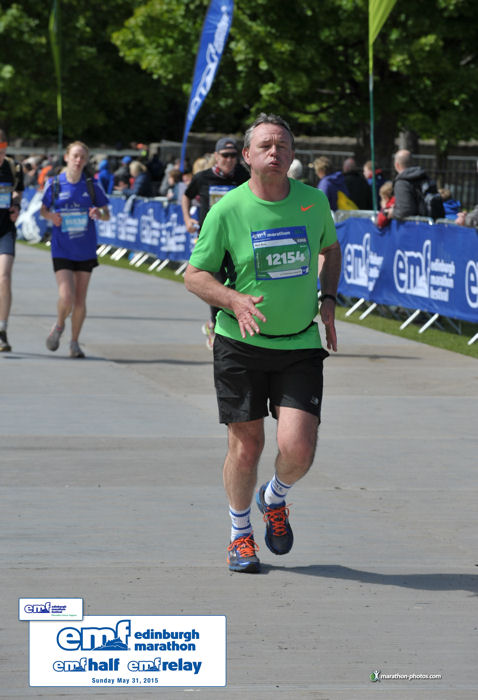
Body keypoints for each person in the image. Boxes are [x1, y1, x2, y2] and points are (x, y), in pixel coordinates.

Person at [184, 113, 341, 573]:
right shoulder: (228, 210)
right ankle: (239, 535)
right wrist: (232, 299)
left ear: (293, 155)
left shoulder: (313, 202)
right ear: (247, 156)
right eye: (266, 146)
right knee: (246, 447)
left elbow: (330, 249)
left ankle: (274, 497)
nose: (276, 152)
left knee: (299, 449)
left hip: (298, 343)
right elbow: (195, 275)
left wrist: (328, 299)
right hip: (241, 343)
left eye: (284, 146)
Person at [40, 141, 110, 358]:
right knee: (67, 296)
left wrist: (98, 214)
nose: (79, 160)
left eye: (82, 157)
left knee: (80, 299)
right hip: (62, 248)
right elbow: (43, 210)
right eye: (75, 156)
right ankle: (60, 325)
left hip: (85, 248)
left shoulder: (91, 185)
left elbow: (106, 212)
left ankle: (74, 342)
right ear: (66, 158)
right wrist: (51, 217)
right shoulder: (54, 184)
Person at [182, 137, 250, 349]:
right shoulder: (203, 177)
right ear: (216, 156)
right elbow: (186, 196)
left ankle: (229, 323)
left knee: (235, 282)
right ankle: (215, 326)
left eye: (233, 156)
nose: (230, 160)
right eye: (225, 156)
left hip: (238, 237)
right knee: (215, 284)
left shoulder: (242, 175)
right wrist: (187, 219)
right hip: (211, 239)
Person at [0, 130, 24, 352]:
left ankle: (2, 330)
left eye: (2, 146)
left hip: (5, 229)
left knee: (4, 277)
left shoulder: (14, 168)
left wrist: (16, 205)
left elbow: (19, 193)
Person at [391, 149, 433, 219]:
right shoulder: (424, 177)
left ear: (397, 165)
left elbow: (404, 211)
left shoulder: (402, 183)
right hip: (430, 224)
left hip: (413, 227)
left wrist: (391, 212)